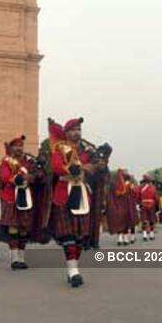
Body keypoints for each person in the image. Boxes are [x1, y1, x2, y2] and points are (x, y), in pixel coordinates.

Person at [46, 117, 95, 287]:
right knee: (68, 235)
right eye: (73, 130)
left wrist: (97, 165)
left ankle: (74, 267)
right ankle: (73, 271)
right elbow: (56, 166)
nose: (77, 133)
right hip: (64, 193)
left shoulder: (86, 151)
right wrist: (75, 168)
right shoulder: (60, 149)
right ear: (66, 133)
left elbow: (93, 168)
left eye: (79, 129)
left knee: (80, 236)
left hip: (81, 193)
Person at [0, 136, 44, 270]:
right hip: (12, 197)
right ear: (11, 148)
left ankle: (22, 258)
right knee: (14, 227)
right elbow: (5, 177)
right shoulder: (6, 161)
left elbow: (37, 174)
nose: (19, 148)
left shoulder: (28, 160)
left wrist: (34, 176)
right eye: (16, 146)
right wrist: (19, 179)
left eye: (21, 146)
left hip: (26, 197)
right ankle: (14, 259)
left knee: (24, 229)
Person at [107, 169, 133, 245]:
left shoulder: (113, 185)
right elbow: (131, 196)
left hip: (116, 205)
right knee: (125, 221)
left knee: (118, 221)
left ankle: (119, 238)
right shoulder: (128, 185)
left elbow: (109, 196)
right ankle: (125, 238)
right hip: (125, 205)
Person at [139, 174, 159, 241]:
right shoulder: (153, 188)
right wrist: (157, 207)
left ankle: (144, 235)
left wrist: (139, 204)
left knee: (144, 220)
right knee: (151, 220)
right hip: (151, 205)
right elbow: (156, 198)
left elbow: (138, 197)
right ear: (150, 181)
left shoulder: (141, 188)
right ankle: (151, 235)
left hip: (143, 205)